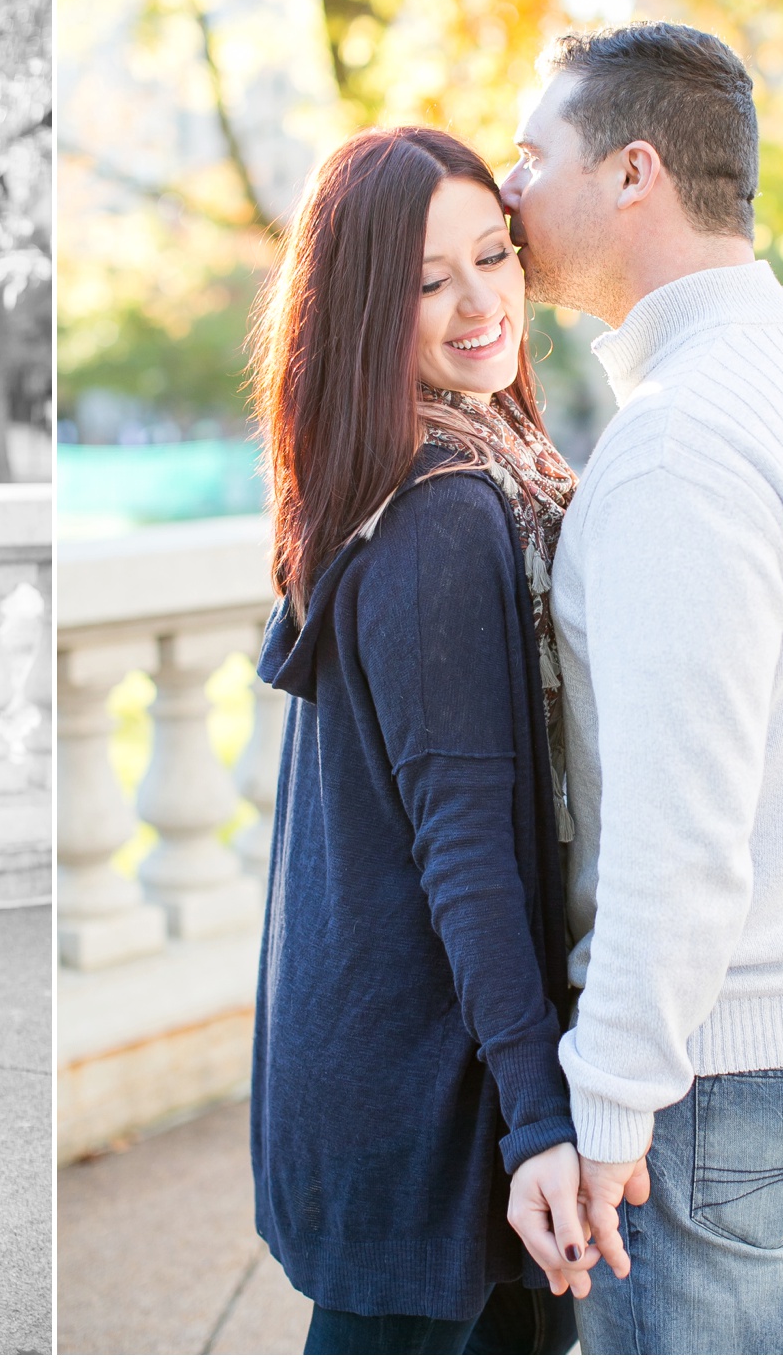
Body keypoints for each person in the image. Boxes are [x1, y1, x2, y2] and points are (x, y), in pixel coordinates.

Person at [498, 22, 783, 1355]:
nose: (510, 185)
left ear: (633, 173)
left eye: (533, 152)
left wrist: (610, 1106)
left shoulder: (682, 442)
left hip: (718, 1078)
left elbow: (677, 833)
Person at [247, 125, 591, 1355]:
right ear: (357, 307)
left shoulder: (422, 468)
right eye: (423, 281)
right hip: (425, 1084)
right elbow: (464, 848)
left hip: (391, 1045)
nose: (475, 304)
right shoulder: (442, 511)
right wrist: (537, 1116)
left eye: (491, 257)